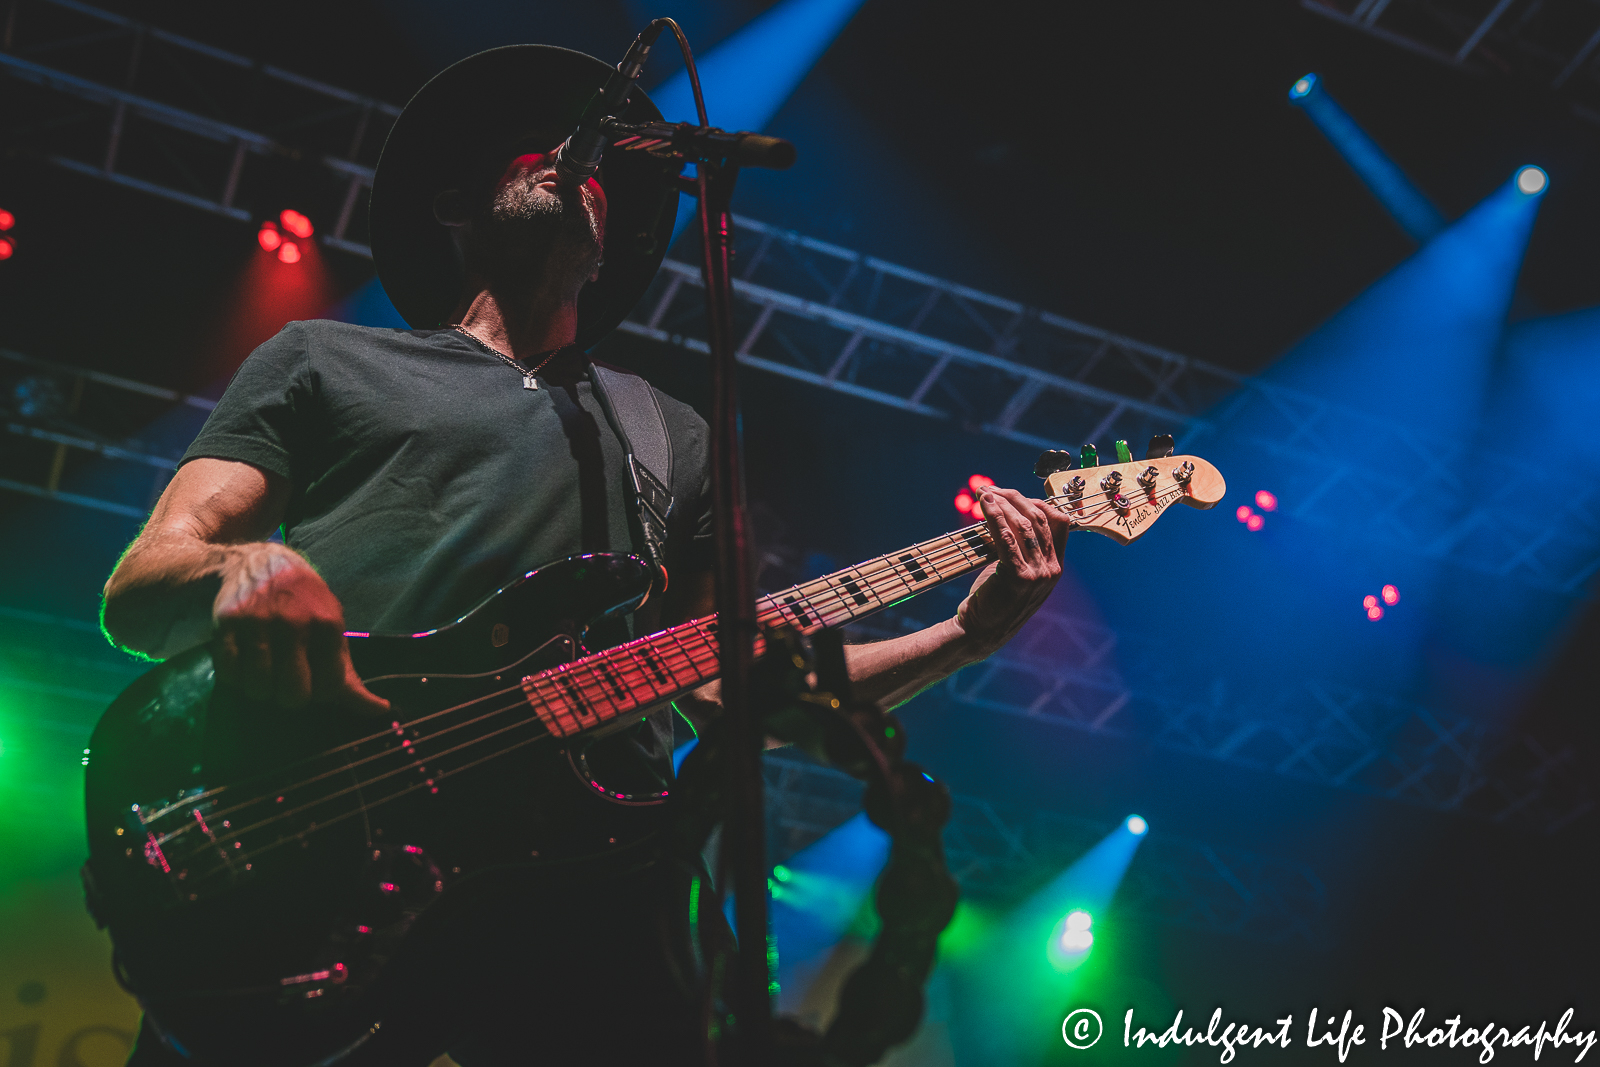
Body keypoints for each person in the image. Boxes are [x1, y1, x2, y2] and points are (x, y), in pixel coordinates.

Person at [99, 45, 1072, 1067]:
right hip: (319, 851)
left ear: (607, 249)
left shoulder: (672, 432)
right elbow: (142, 589)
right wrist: (238, 570)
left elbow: (728, 683)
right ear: (454, 206)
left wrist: (962, 632)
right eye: (537, 150)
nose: (571, 160)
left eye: (593, 166)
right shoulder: (321, 358)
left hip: (589, 886)